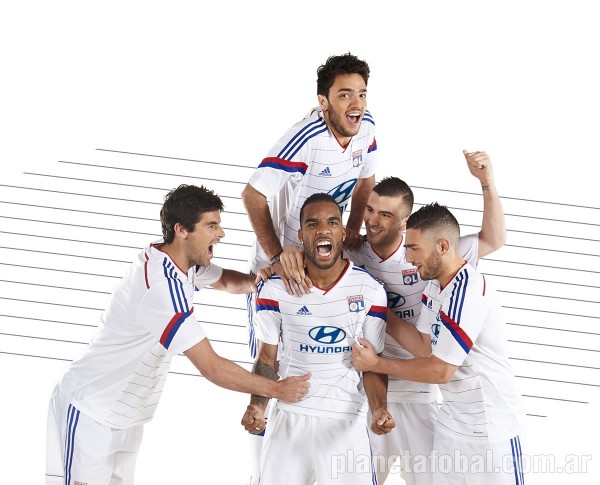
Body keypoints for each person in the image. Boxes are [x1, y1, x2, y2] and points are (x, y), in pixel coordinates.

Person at [45, 184, 310, 485]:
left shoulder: (182, 262)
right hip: (90, 409)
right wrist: (276, 389)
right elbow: (211, 366)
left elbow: (225, 281)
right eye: (211, 226)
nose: (220, 234)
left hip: (125, 416)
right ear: (182, 230)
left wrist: (261, 280)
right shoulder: (161, 286)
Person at [281, 150, 507, 484]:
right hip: (367, 390)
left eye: (385, 214)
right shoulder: (352, 251)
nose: (372, 220)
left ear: (404, 223)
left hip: (419, 390)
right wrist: (288, 253)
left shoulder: (424, 252)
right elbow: (314, 248)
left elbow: (494, 239)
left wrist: (486, 181)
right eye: (370, 210)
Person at [241, 52, 378, 483]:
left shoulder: (366, 126)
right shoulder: (307, 137)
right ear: (323, 102)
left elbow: (367, 179)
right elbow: (252, 195)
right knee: (272, 361)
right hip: (285, 261)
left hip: (326, 250)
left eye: (361, 93)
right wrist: (278, 254)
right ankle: (267, 465)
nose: (356, 103)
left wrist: (352, 229)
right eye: (344, 95)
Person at [352, 202, 525, 485]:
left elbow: (440, 371)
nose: (408, 257)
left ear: (443, 246)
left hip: (491, 430)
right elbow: (423, 346)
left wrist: (377, 364)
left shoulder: (468, 291)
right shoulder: (434, 285)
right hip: (451, 425)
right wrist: (378, 305)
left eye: (414, 248)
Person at [240, 193, 392, 485]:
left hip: (344, 422)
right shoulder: (274, 289)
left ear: (342, 233)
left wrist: (379, 410)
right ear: (301, 235)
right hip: (289, 418)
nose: (323, 229)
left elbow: (373, 365)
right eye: (312, 224)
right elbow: (267, 358)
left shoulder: (370, 289)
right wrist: (258, 406)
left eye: (332, 222)